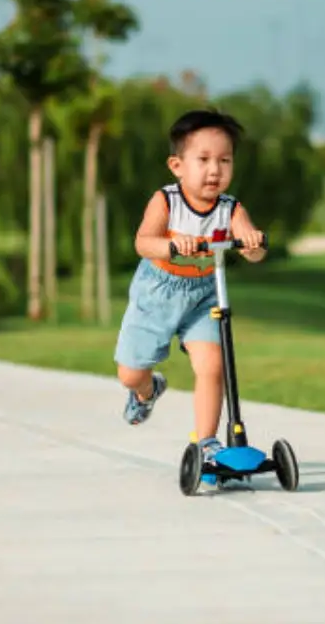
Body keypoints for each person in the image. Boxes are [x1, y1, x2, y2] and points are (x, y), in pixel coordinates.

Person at [114, 108, 266, 465]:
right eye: (204, 159)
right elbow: (142, 242)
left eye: (224, 161)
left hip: (204, 296)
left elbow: (252, 251)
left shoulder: (230, 208)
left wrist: (251, 242)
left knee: (213, 365)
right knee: (130, 373)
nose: (215, 170)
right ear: (177, 165)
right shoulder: (166, 201)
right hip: (158, 292)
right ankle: (146, 391)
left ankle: (208, 442)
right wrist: (170, 243)